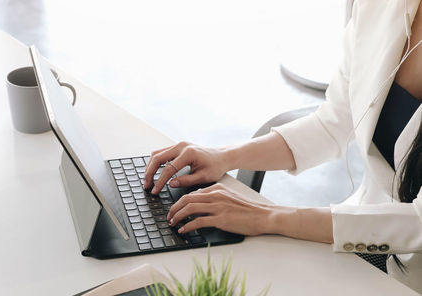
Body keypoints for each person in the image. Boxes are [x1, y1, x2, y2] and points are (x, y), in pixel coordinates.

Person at [143, 0, 422, 293]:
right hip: (363, 231)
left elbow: (418, 221)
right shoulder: (381, 6)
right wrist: (225, 157)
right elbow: (333, 122)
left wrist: (269, 217)